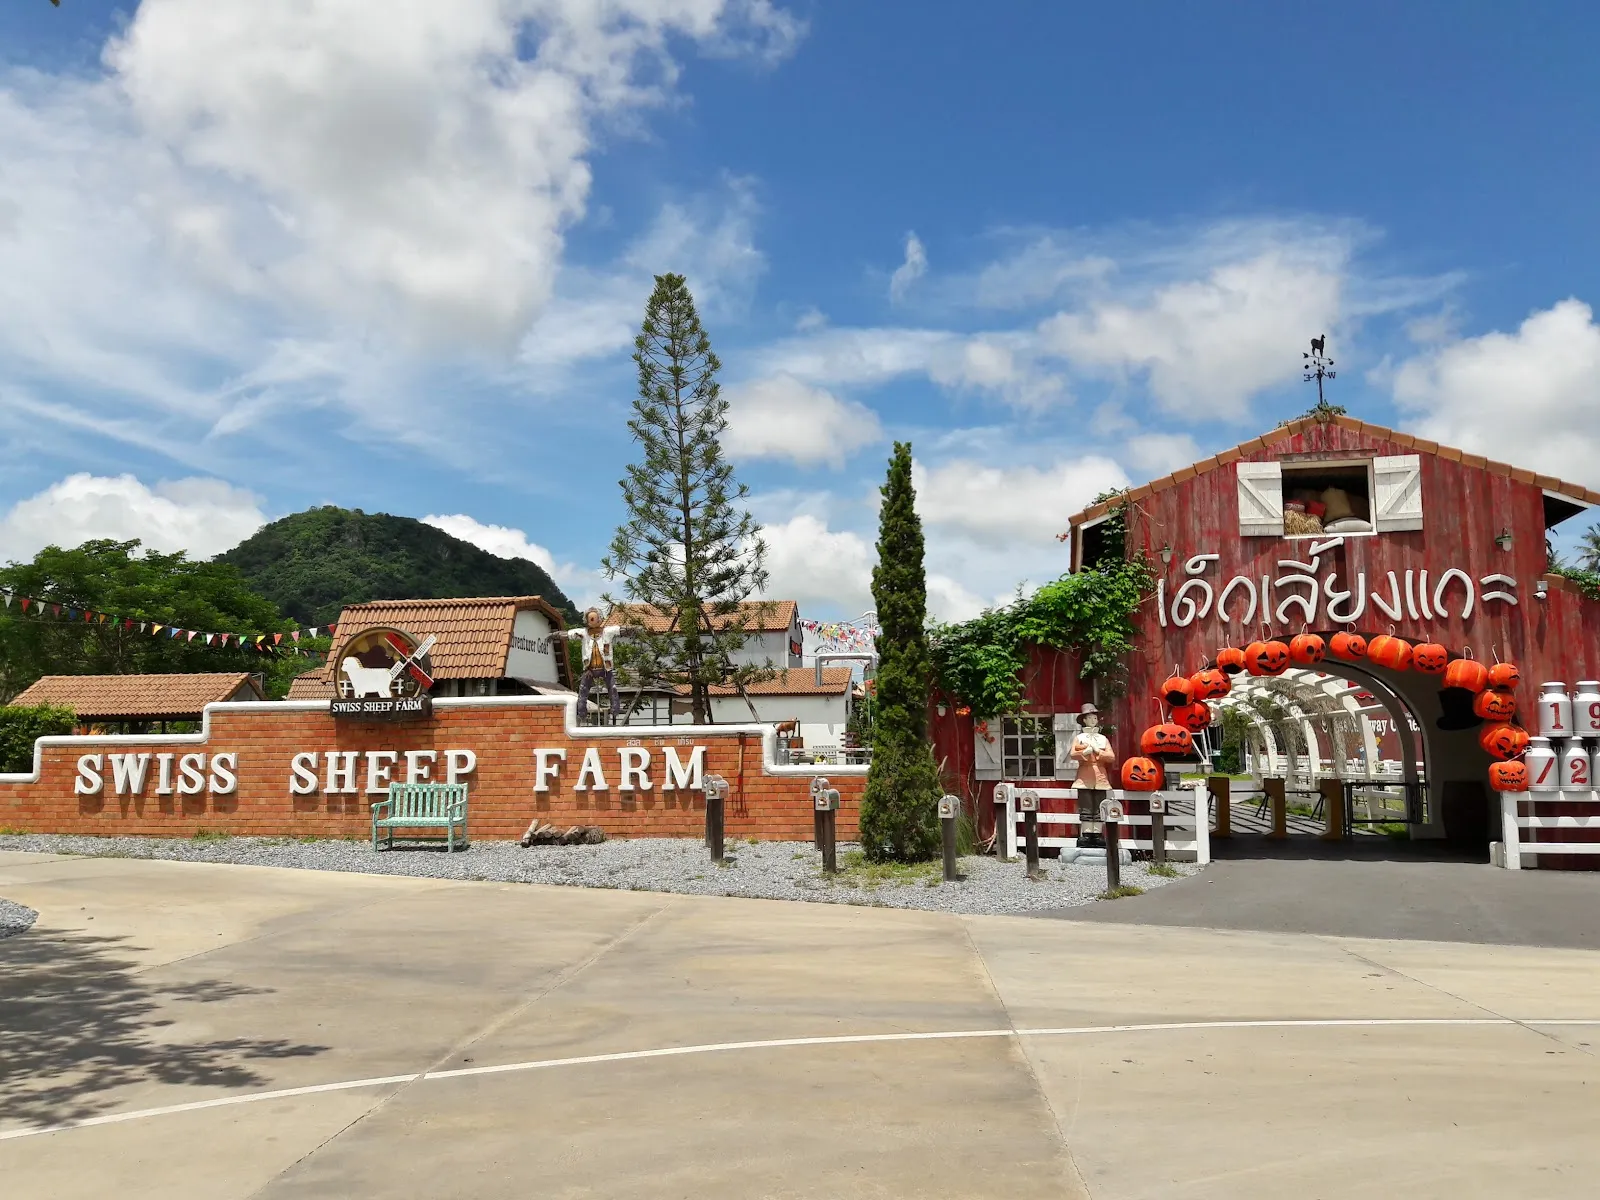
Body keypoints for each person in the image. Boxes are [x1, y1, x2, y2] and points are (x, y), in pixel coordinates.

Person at [554, 608, 623, 723]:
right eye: (591, 619)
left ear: (600, 618)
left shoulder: (607, 632)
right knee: (583, 690)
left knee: (612, 688)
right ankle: (581, 713)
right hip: (589, 669)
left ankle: (615, 710)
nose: (593, 620)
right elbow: (568, 634)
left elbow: (621, 630)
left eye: (595, 618)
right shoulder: (584, 633)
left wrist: (634, 630)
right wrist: (555, 635)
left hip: (605, 668)